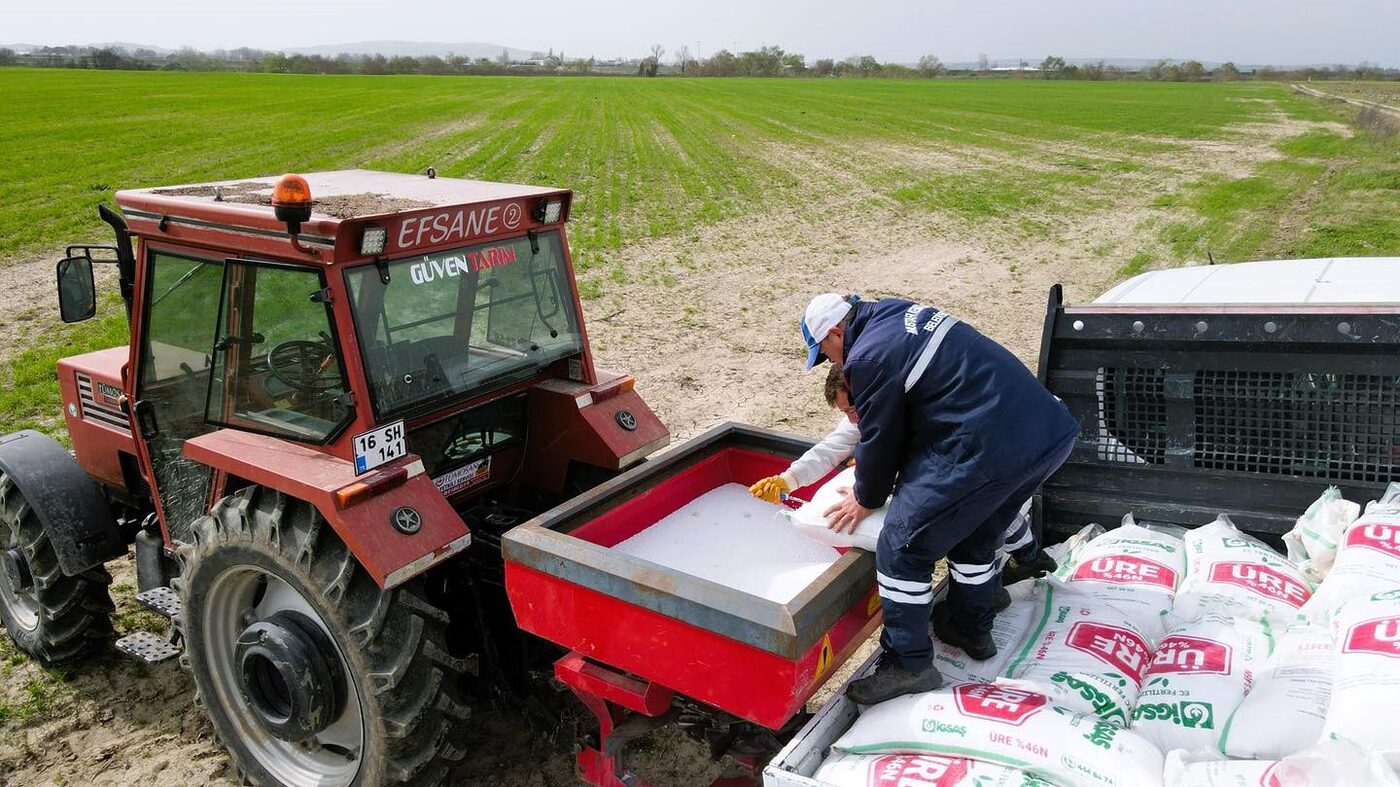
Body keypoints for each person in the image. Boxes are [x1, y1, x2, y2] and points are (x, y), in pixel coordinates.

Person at [802, 293, 1078, 705]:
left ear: (836, 331)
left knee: (901, 546)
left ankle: (908, 664)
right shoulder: (895, 312)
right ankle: (972, 626)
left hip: (987, 444)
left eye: (824, 351)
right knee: (975, 526)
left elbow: (881, 437)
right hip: (1047, 431)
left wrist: (867, 496)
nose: (831, 361)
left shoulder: (867, 357)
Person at [749, 368, 1056, 613]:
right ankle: (1030, 557)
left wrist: (871, 493)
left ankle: (988, 596)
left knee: (975, 523)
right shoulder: (870, 410)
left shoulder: (916, 407)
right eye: (845, 412)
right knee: (996, 513)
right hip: (1010, 449)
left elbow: (932, 467)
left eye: (853, 408)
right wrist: (788, 480)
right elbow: (833, 447)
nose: (852, 419)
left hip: (1004, 453)